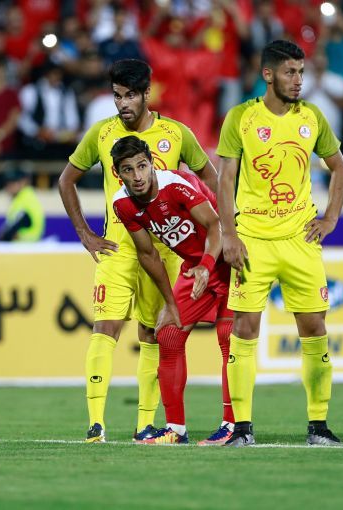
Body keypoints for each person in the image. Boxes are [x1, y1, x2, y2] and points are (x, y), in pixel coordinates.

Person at [58, 58, 218, 443]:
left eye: (130, 95)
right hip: (117, 248)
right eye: (117, 96)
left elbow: (209, 176)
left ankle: (145, 423)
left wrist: (214, 224)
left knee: (153, 332)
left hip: (165, 251)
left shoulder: (176, 134)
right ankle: (95, 423)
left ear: (147, 94)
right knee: (106, 327)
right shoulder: (101, 133)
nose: (123, 104)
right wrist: (84, 233)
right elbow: (67, 180)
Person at [215, 40, 343, 447]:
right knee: (244, 329)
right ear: (268, 74)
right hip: (253, 241)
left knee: (315, 328)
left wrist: (330, 218)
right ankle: (242, 428)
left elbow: (340, 168)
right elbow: (224, 179)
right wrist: (229, 234)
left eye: (301, 72)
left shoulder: (312, 116)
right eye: (290, 72)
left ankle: (318, 425)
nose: (298, 80)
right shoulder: (241, 117)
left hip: (299, 241)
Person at [111, 136, 234, 445]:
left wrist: (206, 265)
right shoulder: (122, 204)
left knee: (228, 338)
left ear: (153, 164)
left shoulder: (175, 185)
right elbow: (148, 255)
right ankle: (176, 430)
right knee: (168, 336)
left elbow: (216, 225)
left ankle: (233, 425)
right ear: (118, 173)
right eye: (128, 170)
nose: (137, 176)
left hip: (229, 259)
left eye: (142, 166)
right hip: (195, 266)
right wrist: (169, 302)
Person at [0, 168, 45, 242]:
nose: (9, 186)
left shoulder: (26, 200)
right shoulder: (22, 198)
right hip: (26, 245)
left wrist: (4, 234)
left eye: (13, 182)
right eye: (7, 183)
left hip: (25, 246)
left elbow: (8, 232)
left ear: (23, 182)